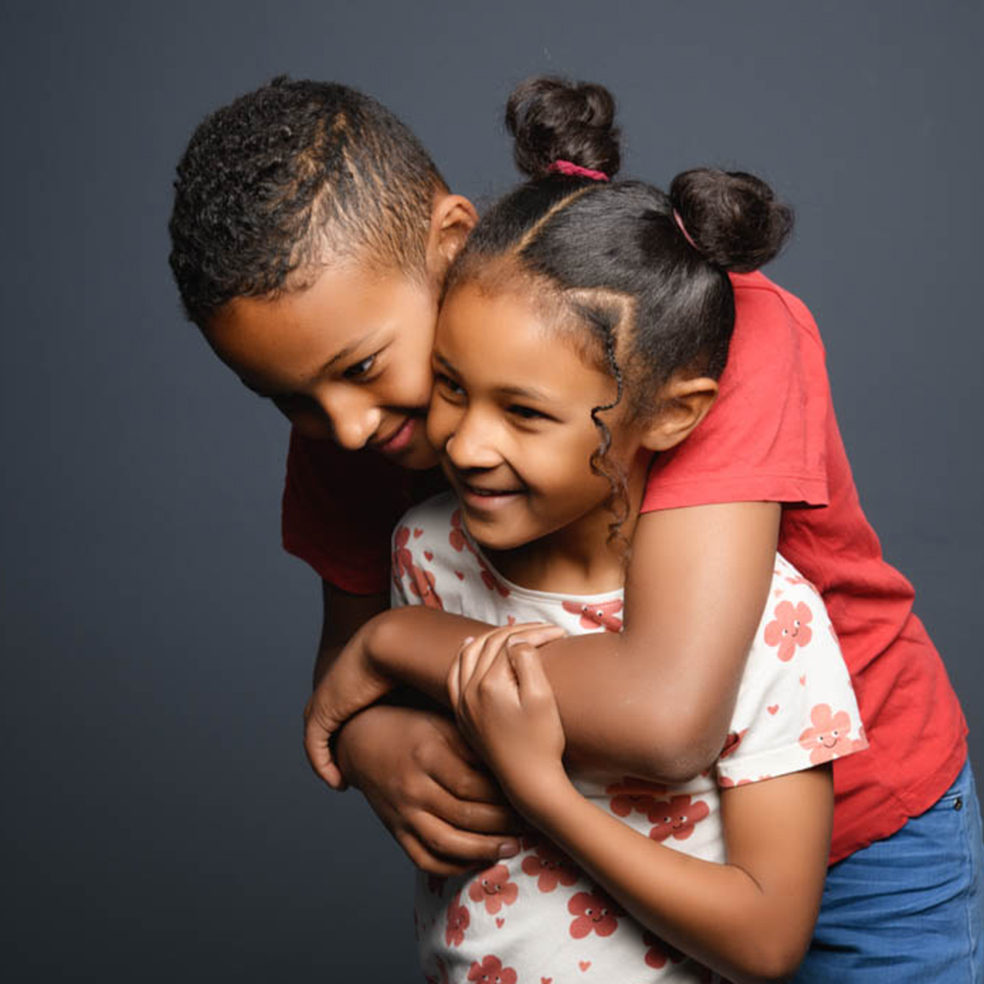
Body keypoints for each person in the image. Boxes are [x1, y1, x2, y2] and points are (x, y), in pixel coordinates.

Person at [168, 77, 981, 980]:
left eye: (361, 366)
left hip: (853, 844)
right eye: (290, 400)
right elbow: (348, 677)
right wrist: (372, 747)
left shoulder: (694, 333)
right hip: (593, 874)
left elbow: (668, 710)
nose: (345, 427)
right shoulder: (354, 416)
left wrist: (402, 644)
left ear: (448, 241)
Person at [374, 157, 867, 982]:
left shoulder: (773, 626)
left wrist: (548, 797)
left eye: (525, 412)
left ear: (672, 414)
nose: (465, 444)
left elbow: (767, 942)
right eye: (451, 387)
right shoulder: (430, 553)